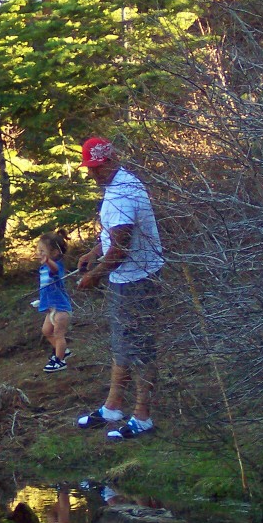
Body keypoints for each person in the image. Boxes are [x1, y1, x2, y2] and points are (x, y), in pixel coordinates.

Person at [74, 137, 164, 440]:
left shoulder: (122, 193)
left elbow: (122, 246)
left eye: (96, 167)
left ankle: (142, 416)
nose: (91, 174)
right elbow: (111, 238)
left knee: (140, 349)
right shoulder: (121, 184)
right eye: (90, 168)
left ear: (110, 161)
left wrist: (95, 276)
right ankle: (113, 407)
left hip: (137, 280)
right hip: (128, 279)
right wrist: (92, 253)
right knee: (122, 344)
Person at [37, 231, 73, 372]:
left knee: (58, 334)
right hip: (50, 308)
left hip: (60, 308)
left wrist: (48, 261)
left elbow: (55, 269)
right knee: (46, 331)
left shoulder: (55, 266)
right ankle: (64, 350)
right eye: (38, 250)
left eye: (42, 251)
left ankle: (60, 360)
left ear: (55, 253)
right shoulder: (43, 269)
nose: (39, 253)